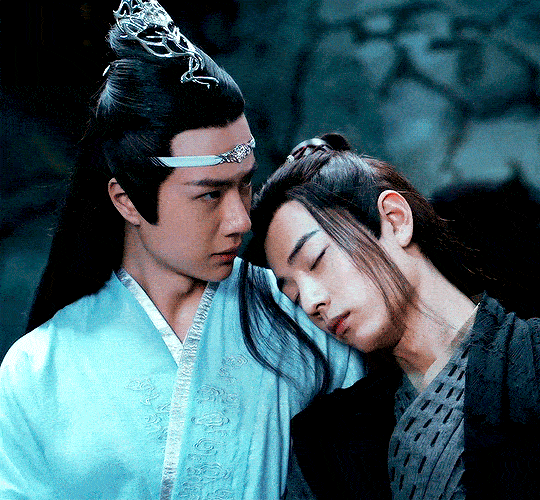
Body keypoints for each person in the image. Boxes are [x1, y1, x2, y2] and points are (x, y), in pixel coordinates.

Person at [0, 3, 363, 499]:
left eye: (245, 184)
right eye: (210, 194)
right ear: (126, 200)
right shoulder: (37, 371)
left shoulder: (306, 314)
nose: (241, 220)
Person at [241, 133, 540, 500]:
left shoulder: (532, 357)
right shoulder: (327, 445)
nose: (312, 302)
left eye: (317, 260)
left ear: (396, 220)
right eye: (295, 294)